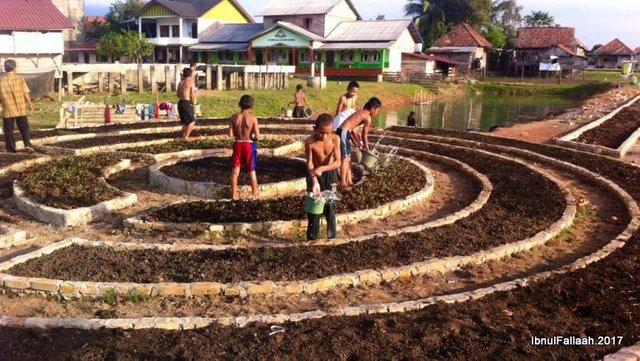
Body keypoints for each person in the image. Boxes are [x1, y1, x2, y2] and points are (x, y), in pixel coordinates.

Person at [305, 113, 341, 240]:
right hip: (314, 175)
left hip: (331, 175)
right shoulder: (310, 142)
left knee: (330, 206)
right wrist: (314, 181)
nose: (324, 136)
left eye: (327, 133)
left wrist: (322, 168)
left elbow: (338, 162)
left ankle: (332, 236)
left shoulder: (335, 139)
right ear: (314, 128)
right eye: (321, 132)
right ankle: (312, 237)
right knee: (315, 208)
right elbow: (309, 163)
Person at [336, 97, 382, 188]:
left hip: (342, 132)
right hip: (344, 132)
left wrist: (358, 144)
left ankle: (348, 180)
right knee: (345, 159)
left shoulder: (360, 112)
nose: (376, 113)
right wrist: (367, 148)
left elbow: (352, 130)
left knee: (348, 158)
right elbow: (364, 135)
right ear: (373, 109)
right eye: (377, 111)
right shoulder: (367, 117)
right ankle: (343, 183)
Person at [229, 95, 260, 200]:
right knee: (251, 170)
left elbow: (230, 134)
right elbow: (258, 136)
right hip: (248, 145)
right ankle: (255, 193)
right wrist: (253, 138)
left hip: (238, 144)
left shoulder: (233, 117)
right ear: (251, 106)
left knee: (235, 170)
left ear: (240, 104)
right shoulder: (253, 118)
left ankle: (234, 194)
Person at [1, 59, 34, 153]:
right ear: (14, 68)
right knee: (24, 127)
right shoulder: (20, 78)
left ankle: (11, 149)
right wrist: (30, 104)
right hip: (20, 108)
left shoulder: (1, 80)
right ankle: (27, 144)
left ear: (5, 68)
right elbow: (25, 92)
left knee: (8, 130)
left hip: (8, 109)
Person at [177, 68, 196, 140]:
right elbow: (192, 94)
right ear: (190, 74)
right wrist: (193, 102)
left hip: (180, 102)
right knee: (192, 121)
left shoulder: (180, 83)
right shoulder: (190, 82)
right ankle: (186, 137)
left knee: (184, 122)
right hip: (186, 102)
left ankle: (182, 136)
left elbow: (178, 94)